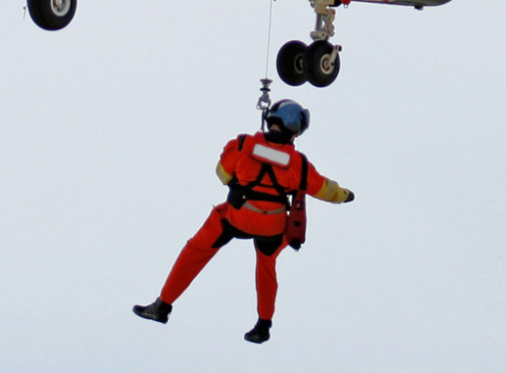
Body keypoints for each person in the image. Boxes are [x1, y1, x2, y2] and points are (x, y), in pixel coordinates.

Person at [132, 98, 354, 343]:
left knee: (197, 249)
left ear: (270, 119)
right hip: (272, 226)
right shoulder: (299, 164)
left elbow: (222, 173)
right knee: (266, 267)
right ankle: (263, 326)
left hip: (237, 217)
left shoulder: (243, 145)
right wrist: (345, 195)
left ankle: (162, 306)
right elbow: (325, 190)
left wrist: (239, 182)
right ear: (296, 131)